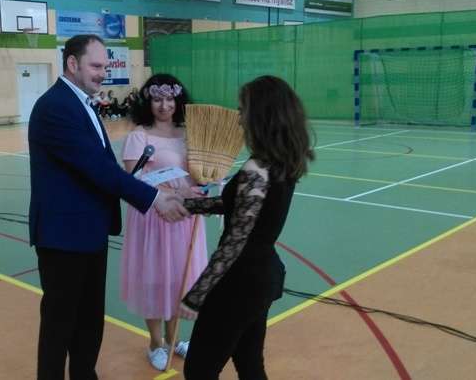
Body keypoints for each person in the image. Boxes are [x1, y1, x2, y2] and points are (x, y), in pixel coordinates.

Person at [27, 34, 188, 380]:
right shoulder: (55, 106)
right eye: (96, 66)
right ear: (73, 63)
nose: (103, 73)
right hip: (63, 236)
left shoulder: (83, 104)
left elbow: (103, 168)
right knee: (59, 323)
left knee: (88, 320)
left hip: (90, 232)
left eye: (105, 66)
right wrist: (155, 198)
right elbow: (97, 169)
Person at [179, 75, 315, 379]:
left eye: (243, 110)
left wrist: (198, 293)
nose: (239, 118)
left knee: (199, 370)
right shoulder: (281, 161)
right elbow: (242, 209)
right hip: (260, 278)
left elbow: (235, 242)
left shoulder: (256, 169)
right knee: (250, 363)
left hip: (238, 281)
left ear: (260, 115)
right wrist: (188, 205)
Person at [120, 74, 208, 371]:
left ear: (178, 101)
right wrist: (172, 192)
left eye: (170, 99)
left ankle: (174, 338)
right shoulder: (139, 136)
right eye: (157, 99)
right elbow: (134, 181)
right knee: (155, 279)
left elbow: (198, 175)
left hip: (184, 218)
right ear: (148, 102)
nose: (164, 105)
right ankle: (156, 343)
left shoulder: (189, 134)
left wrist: (206, 183)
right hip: (154, 220)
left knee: (177, 280)